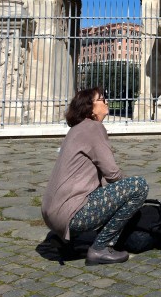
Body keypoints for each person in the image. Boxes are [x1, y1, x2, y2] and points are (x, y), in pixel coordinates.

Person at [41, 87, 148, 265]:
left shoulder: (77, 129)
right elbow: (112, 174)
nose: (106, 101)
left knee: (116, 191)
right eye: (102, 98)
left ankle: (68, 240)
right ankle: (101, 247)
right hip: (71, 213)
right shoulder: (93, 128)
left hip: (52, 213)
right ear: (90, 107)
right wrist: (128, 192)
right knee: (139, 186)